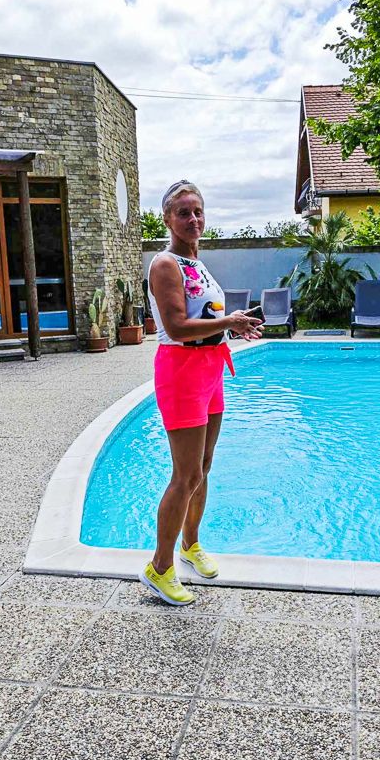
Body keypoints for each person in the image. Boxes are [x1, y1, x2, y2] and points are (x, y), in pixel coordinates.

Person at [139, 180, 263, 606]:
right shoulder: (165, 264)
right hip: (182, 371)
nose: (193, 219)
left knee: (203, 467)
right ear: (167, 219)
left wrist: (232, 327)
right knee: (186, 474)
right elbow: (176, 328)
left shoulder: (197, 263)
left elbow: (205, 318)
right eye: (183, 213)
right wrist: (229, 322)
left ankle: (190, 545)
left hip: (210, 367)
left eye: (198, 211)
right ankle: (159, 567)